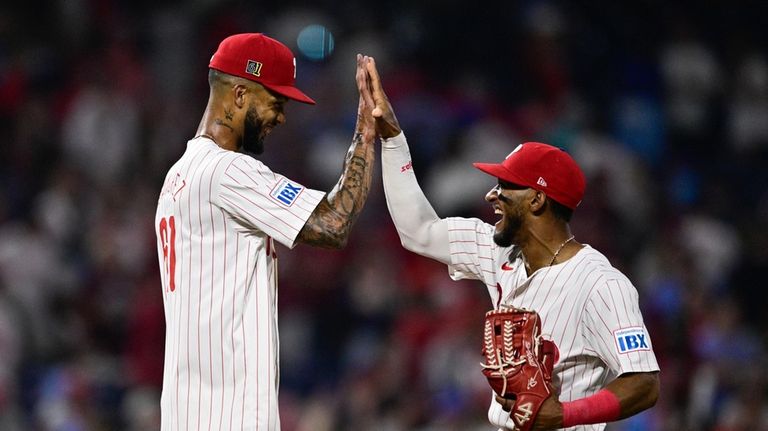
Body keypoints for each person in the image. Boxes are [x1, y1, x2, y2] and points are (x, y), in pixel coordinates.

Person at [364, 59, 660, 430]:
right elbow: (418, 231)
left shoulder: (601, 284)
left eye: (505, 187)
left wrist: (563, 414)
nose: (491, 195)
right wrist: (392, 139)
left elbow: (644, 383)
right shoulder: (498, 250)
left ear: (537, 200)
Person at [154, 33, 377, 430]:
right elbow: (333, 224)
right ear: (239, 94)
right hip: (230, 415)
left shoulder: (178, 176)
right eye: (275, 101)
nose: (282, 116)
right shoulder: (227, 171)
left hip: (188, 412)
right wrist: (366, 131)